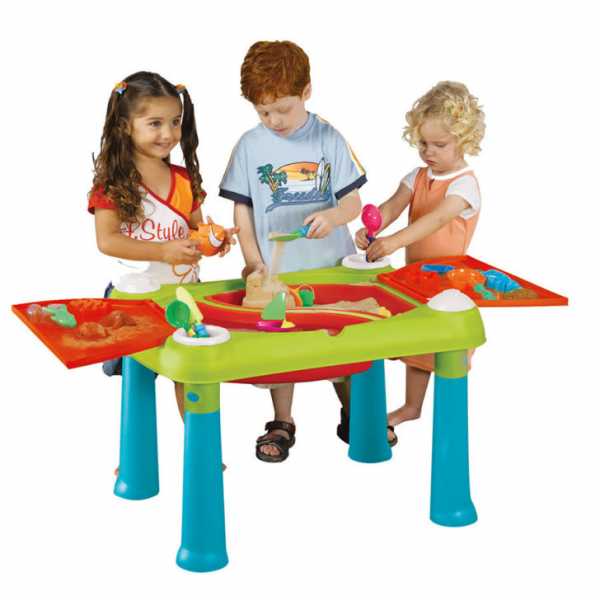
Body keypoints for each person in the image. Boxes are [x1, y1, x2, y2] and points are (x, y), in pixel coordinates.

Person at [220, 40, 366, 462]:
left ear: (306, 92)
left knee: (341, 343)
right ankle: (282, 421)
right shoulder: (250, 145)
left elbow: (353, 203)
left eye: (282, 109)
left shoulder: (328, 138)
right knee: (280, 345)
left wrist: (334, 217)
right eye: (263, 112)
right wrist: (253, 260)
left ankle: (355, 413)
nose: (274, 120)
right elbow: (242, 209)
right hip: (276, 272)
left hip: (329, 268)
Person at [88, 71, 237, 418]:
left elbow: (196, 231)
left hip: (185, 297)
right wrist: (162, 252)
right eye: (155, 123)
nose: (168, 133)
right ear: (125, 126)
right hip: (136, 300)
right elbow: (107, 241)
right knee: (140, 377)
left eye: (174, 122)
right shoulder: (113, 185)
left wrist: (214, 239)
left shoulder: (184, 180)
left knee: (192, 370)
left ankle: (198, 442)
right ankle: (137, 448)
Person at [355, 81, 486, 443]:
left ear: (464, 139)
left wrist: (394, 242)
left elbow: (436, 220)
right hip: (415, 283)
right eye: (423, 143)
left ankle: (446, 429)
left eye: (439, 145)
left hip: (450, 288)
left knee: (442, 351)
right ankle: (410, 408)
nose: (428, 151)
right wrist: (373, 228)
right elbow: (391, 207)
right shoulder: (417, 177)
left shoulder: (464, 185)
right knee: (416, 349)